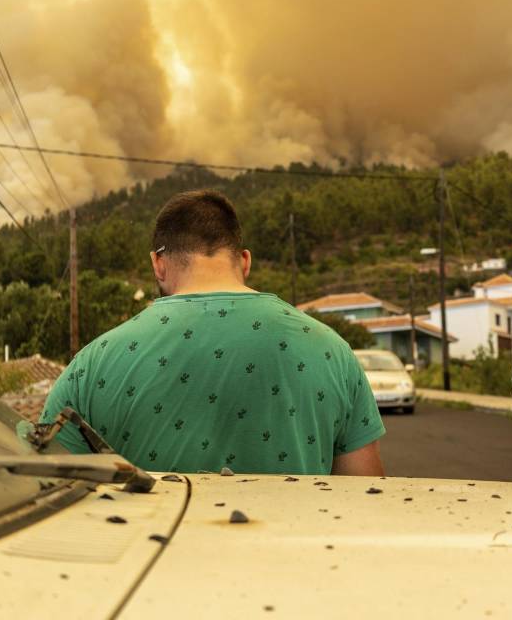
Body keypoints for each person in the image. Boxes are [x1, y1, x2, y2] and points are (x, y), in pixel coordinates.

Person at [41, 189, 385, 476]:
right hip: (294, 557)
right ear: (245, 261)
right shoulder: (332, 351)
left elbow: (46, 490)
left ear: (158, 264)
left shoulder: (92, 365)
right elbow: (366, 501)